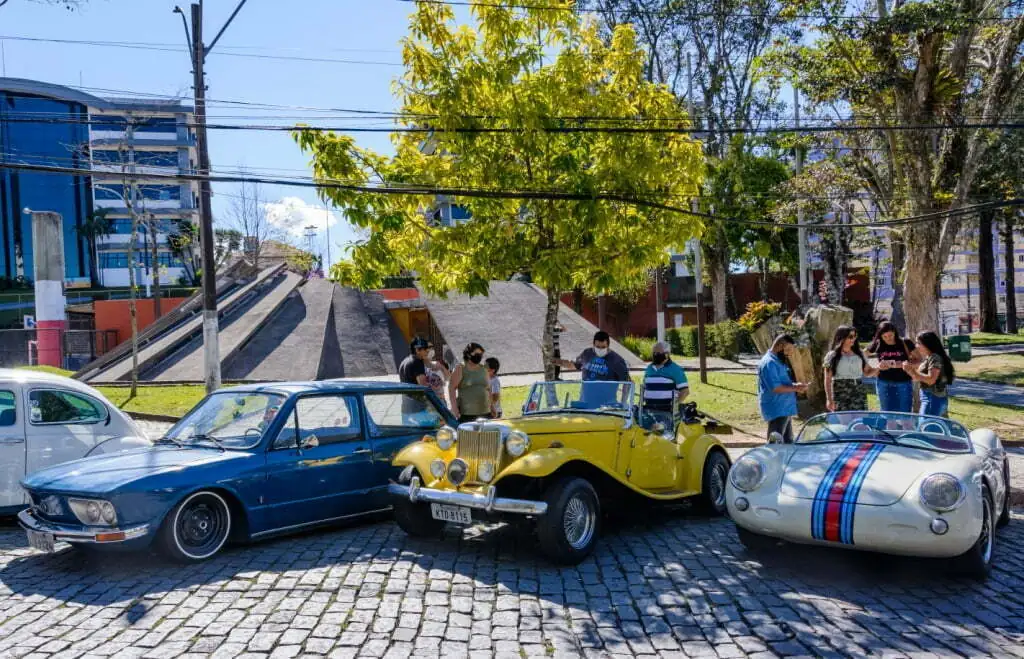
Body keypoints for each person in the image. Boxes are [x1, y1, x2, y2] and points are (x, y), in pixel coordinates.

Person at [757, 334, 809, 442]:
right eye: (788, 349)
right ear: (780, 346)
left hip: (784, 408)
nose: (789, 353)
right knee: (776, 444)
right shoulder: (769, 363)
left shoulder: (777, 361)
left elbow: (783, 383)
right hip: (777, 408)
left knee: (788, 442)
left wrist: (796, 385)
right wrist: (795, 389)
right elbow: (776, 388)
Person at [823, 325, 878, 413]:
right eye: (850, 337)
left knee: (860, 424)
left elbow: (867, 372)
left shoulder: (860, 354)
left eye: (855, 336)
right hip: (840, 391)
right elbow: (827, 379)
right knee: (845, 424)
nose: (853, 339)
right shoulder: (832, 355)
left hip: (859, 390)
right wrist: (829, 399)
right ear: (842, 337)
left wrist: (879, 367)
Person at [867, 320, 916, 413]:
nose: (888, 339)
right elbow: (862, 355)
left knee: (905, 415)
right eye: (884, 336)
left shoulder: (905, 342)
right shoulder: (877, 343)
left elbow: (920, 360)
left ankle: (906, 428)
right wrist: (877, 366)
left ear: (895, 333)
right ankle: (890, 428)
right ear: (880, 336)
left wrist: (904, 364)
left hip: (904, 382)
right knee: (888, 415)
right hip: (883, 383)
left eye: (890, 335)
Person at [903, 331, 955, 417]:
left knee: (927, 427)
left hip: (933, 398)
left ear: (928, 344)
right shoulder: (929, 357)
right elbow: (918, 378)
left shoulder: (935, 358)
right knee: (930, 427)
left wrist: (911, 371)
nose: (916, 346)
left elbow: (931, 380)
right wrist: (909, 370)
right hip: (929, 398)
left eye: (919, 343)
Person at [642, 341, 689, 429]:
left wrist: (674, 406)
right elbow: (644, 387)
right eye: (653, 353)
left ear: (667, 354)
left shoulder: (675, 369)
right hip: (648, 411)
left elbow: (685, 391)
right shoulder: (649, 368)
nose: (655, 355)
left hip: (666, 414)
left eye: (658, 353)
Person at [555, 331, 630, 382]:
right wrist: (556, 361)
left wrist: (623, 403)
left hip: (606, 403)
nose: (600, 349)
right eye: (597, 347)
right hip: (586, 401)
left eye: (603, 347)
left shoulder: (617, 360)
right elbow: (573, 365)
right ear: (593, 344)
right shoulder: (587, 354)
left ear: (608, 346)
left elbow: (628, 383)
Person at [449, 342, 492, 423]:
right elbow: (451, 388)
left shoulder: (484, 369)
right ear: (468, 354)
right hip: (467, 415)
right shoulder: (460, 368)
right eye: (477, 354)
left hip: (486, 413)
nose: (479, 356)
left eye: (481, 354)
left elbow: (489, 389)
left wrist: (492, 407)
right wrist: (454, 408)